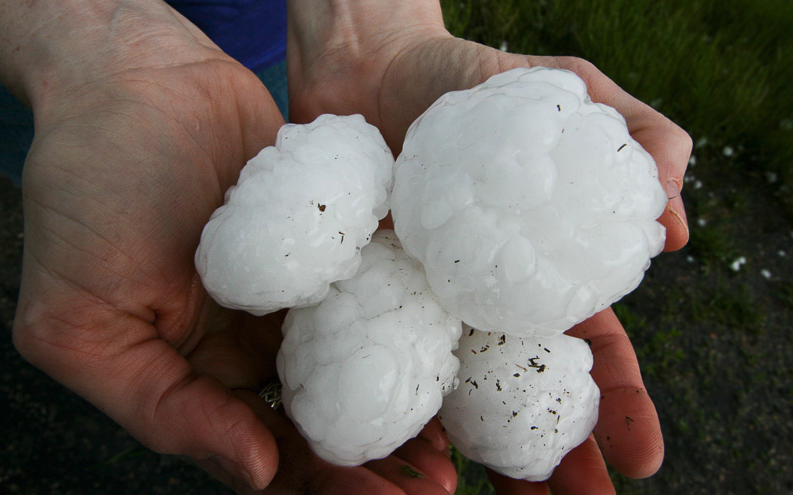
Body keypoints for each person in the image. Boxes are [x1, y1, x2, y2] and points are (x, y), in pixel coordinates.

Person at [0, 0, 691, 493]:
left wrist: (368, 32)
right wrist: (82, 42)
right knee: (21, 142)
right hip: (60, 52)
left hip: (265, 41)